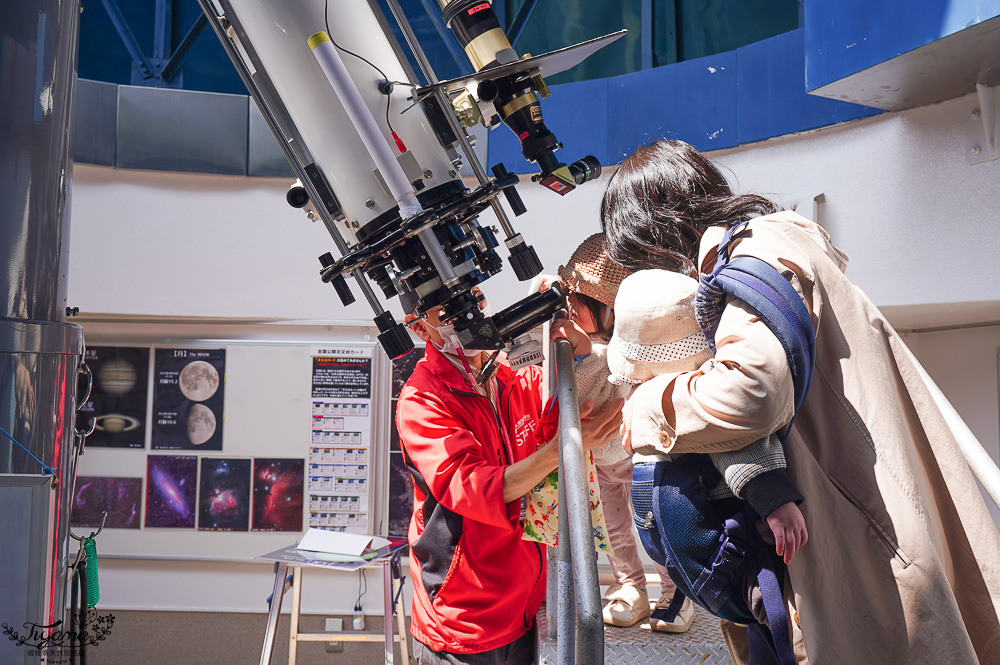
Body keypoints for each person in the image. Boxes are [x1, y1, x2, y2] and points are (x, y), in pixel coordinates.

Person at [601, 138, 1000, 665]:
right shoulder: (782, 247)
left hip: (860, 554)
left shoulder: (753, 256)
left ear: (658, 235)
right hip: (873, 536)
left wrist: (646, 406)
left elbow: (750, 394)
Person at [395, 287, 623, 664]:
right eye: (447, 315)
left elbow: (566, 410)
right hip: (464, 620)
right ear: (421, 330)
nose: (469, 318)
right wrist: (565, 447)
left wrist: (582, 353)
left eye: (475, 300)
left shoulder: (507, 375)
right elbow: (476, 488)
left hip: (524, 607)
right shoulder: (423, 400)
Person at [540, 235, 695, 632]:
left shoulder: (635, 344)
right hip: (601, 458)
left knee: (654, 522)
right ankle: (630, 585)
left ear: (607, 308)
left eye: (578, 300)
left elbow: (613, 368)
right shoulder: (575, 339)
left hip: (641, 456)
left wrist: (583, 353)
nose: (569, 307)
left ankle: (676, 591)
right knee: (613, 527)